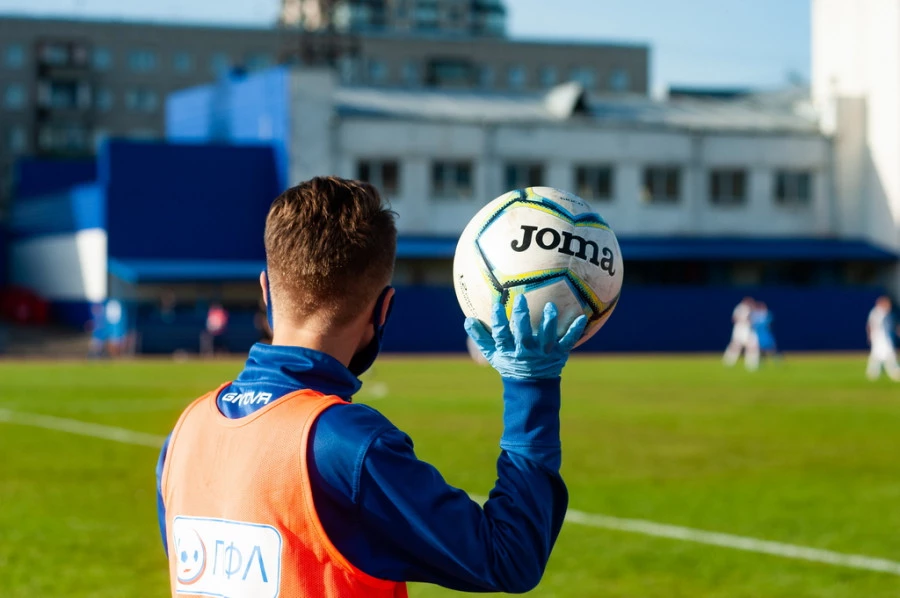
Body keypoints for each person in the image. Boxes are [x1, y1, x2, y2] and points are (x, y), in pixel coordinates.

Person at [155, 176, 586, 596]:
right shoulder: (347, 447)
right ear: (384, 310)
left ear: (266, 292)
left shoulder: (184, 433)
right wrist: (532, 385)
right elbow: (509, 557)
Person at [866, 295, 900, 381]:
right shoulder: (878, 312)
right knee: (886, 354)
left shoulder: (879, 312)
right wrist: (870, 336)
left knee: (878, 355)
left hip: (882, 336)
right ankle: (894, 372)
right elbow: (870, 325)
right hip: (880, 337)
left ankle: (873, 373)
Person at [723, 297, 755, 369]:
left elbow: (734, 318)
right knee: (738, 345)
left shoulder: (740, 307)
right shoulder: (743, 308)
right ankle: (729, 361)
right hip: (742, 328)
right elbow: (735, 318)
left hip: (743, 328)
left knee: (742, 345)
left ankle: (729, 361)